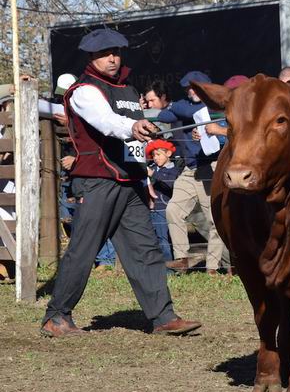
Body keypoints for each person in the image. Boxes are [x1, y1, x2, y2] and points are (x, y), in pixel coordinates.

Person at [41, 28, 201, 337]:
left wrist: (145, 178)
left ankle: (163, 317)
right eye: (104, 53)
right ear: (91, 57)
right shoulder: (84, 91)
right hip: (97, 181)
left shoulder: (128, 90)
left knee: (145, 249)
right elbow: (107, 122)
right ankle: (56, 316)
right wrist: (134, 125)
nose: (112, 58)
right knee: (84, 250)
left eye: (115, 52)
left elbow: (134, 143)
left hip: (130, 182)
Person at [160, 71, 227, 274]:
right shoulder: (187, 107)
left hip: (211, 167)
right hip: (190, 169)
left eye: (196, 88)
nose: (191, 92)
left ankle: (213, 268)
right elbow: (164, 115)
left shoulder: (218, 107)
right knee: (173, 209)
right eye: (188, 88)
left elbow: (228, 135)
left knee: (214, 220)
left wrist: (210, 130)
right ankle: (181, 258)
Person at [146, 139, 181, 262]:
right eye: (153, 155)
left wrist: (153, 174)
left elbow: (170, 184)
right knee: (154, 238)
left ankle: (168, 265)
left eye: (158, 154)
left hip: (163, 208)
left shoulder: (173, 170)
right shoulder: (153, 168)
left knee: (164, 238)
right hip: (152, 209)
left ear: (168, 154)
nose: (155, 158)